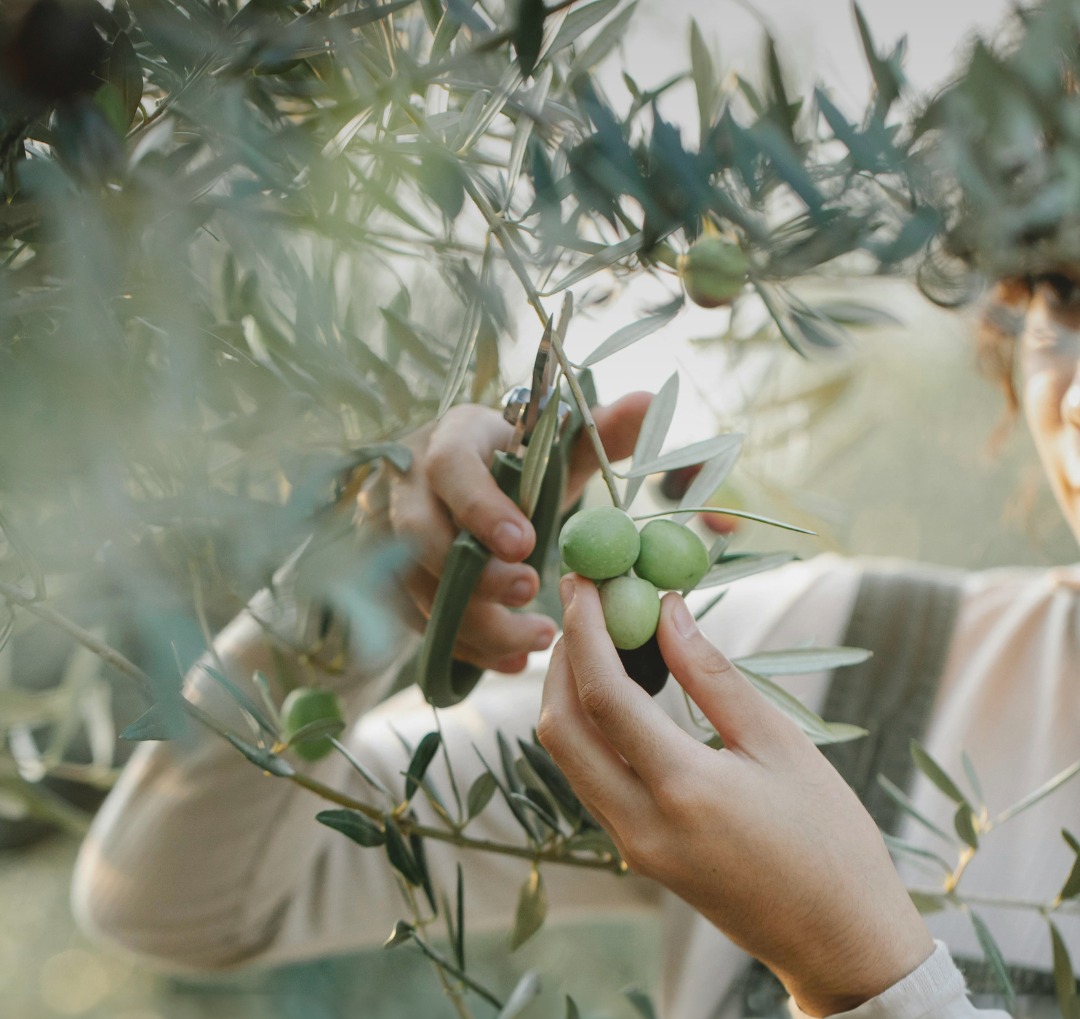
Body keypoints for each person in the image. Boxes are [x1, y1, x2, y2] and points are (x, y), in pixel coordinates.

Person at [69, 272, 1080, 1019]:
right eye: (1068, 292)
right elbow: (173, 901)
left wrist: (863, 973)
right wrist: (360, 592)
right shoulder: (820, 657)